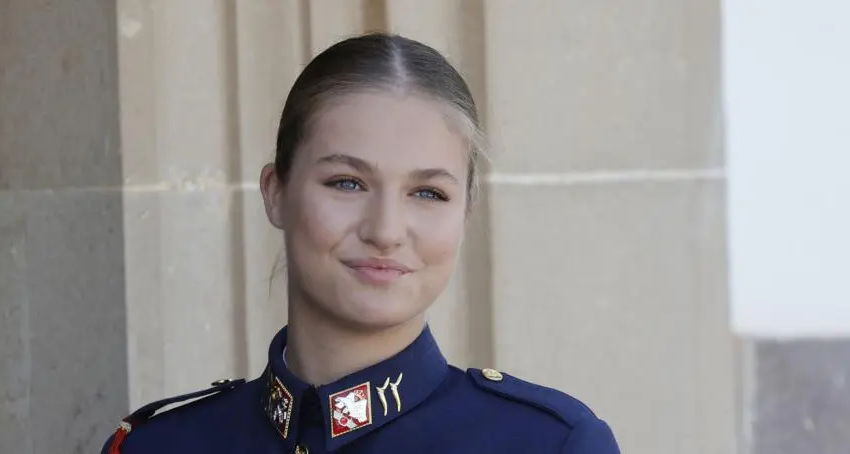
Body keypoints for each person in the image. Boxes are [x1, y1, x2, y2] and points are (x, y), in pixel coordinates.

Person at [100, 32, 620, 454]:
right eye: (347, 183)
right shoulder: (158, 446)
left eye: (428, 193)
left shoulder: (547, 445)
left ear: (465, 212)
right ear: (276, 193)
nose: (386, 230)